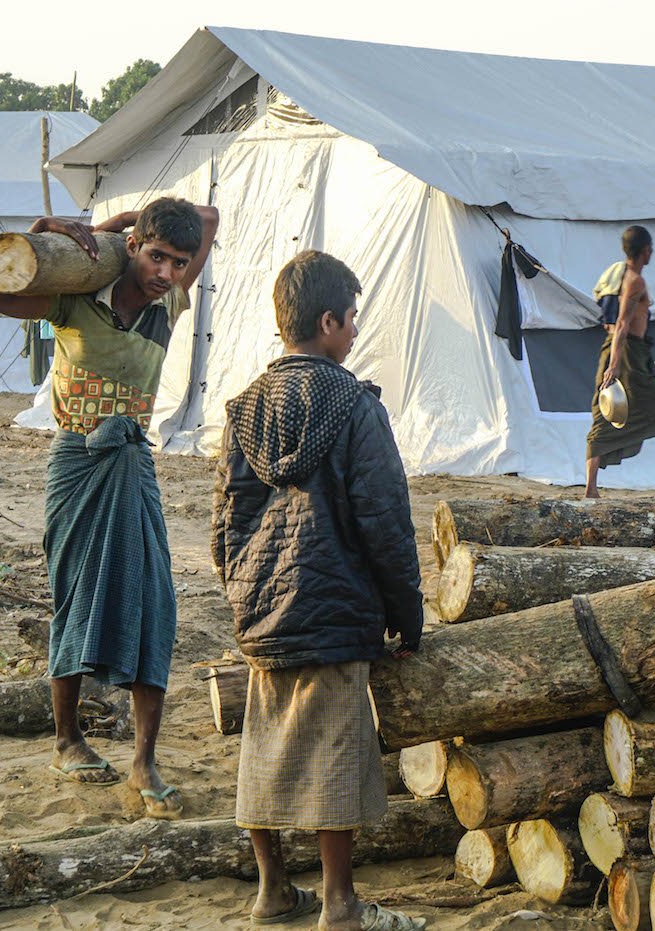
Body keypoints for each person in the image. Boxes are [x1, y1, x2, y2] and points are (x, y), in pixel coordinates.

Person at [0, 197, 218, 817]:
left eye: (178, 261)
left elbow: (209, 216)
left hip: (134, 462)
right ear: (138, 248)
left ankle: (143, 760)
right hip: (76, 461)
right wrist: (47, 232)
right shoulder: (76, 299)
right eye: (156, 255)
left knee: (153, 601)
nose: (165, 271)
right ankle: (66, 740)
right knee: (74, 593)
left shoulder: (170, 304)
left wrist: (116, 227)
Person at [212, 250, 426, 930]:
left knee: (264, 743)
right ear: (329, 321)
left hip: (263, 610)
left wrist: (244, 597)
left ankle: (274, 891)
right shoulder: (356, 406)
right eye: (353, 318)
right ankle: (339, 903)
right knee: (339, 749)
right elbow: (386, 523)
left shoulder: (243, 410)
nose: (356, 331)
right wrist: (406, 618)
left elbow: (224, 523)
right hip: (335, 609)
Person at [585, 225, 655, 497]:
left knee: (605, 413)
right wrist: (615, 365)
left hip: (615, 350)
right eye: (650, 249)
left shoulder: (615, 274)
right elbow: (623, 322)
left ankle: (591, 488)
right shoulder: (635, 280)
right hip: (627, 356)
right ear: (645, 251)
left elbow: (609, 318)